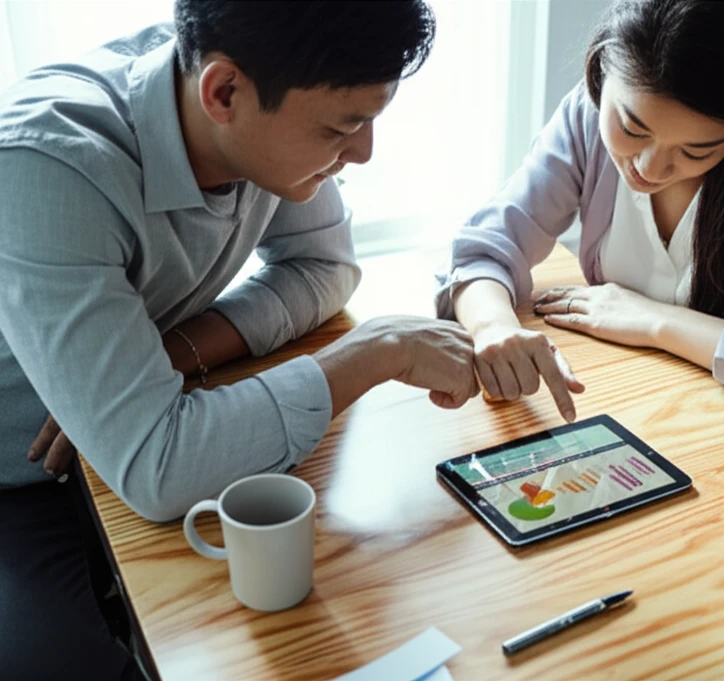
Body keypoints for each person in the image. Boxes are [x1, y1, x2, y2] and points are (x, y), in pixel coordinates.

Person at [0, 2, 480, 679]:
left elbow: (325, 267)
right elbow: (161, 466)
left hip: (123, 448)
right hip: (18, 477)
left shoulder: (260, 115)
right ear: (223, 92)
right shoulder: (47, 167)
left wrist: (174, 352)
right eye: (344, 125)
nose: (365, 152)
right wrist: (376, 351)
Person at [437, 0, 724, 424]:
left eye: (698, 149)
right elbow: (484, 248)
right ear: (600, 71)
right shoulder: (587, 114)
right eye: (632, 128)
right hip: (648, 400)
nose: (649, 168)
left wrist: (653, 320)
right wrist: (493, 325)